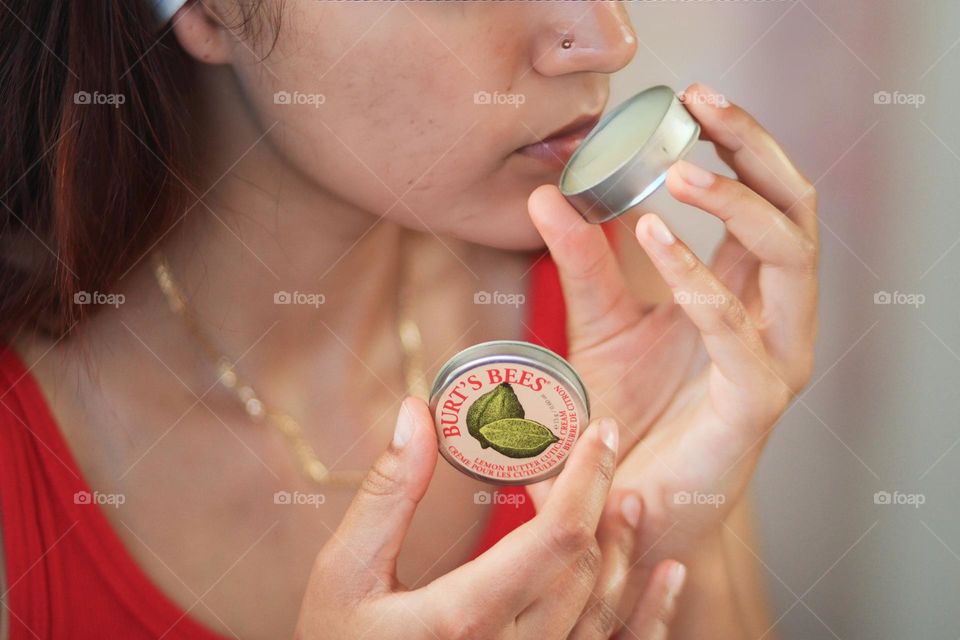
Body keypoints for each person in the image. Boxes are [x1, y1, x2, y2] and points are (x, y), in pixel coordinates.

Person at [0, 1, 818, 638]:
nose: (609, 38)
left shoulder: (597, 293)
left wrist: (677, 549)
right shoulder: (22, 457)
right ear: (213, 12)